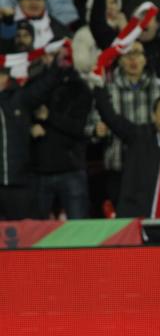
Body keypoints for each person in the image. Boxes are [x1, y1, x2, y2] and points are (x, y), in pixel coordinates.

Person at [93, 91, 160, 220]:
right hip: (138, 226)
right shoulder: (139, 137)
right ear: (154, 116)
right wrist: (98, 88)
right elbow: (111, 118)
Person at [89, 41, 160, 207]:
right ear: (119, 60)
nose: (133, 59)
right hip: (119, 167)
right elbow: (91, 127)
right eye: (128, 54)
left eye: (138, 54)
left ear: (145, 59)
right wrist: (97, 131)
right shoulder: (107, 90)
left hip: (152, 168)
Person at [30, 60, 92, 220]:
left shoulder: (80, 89)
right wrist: (29, 128)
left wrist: (49, 117)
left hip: (71, 169)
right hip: (40, 169)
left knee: (78, 231)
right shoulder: (36, 86)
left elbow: (79, 128)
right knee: (36, 233)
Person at [0, 57, 57, 220]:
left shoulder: (19, 98)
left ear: (5, 78)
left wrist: (56, 67)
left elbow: (44, 87)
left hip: (20, 183)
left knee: (22, 237)